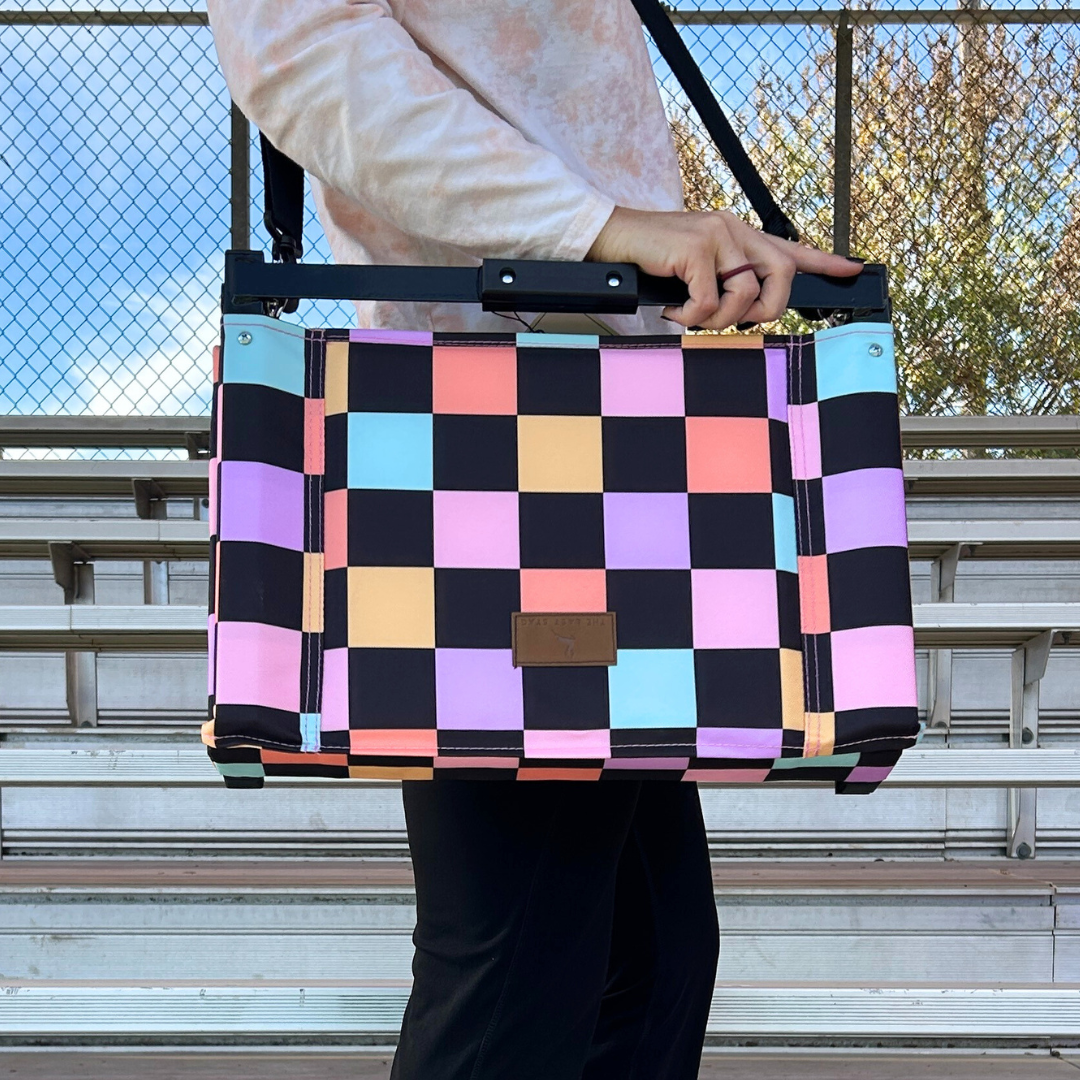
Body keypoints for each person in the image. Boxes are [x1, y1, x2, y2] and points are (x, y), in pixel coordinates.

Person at [206, 3, 864, 1077]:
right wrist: (605, 229)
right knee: (522, 973)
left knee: (643, 963)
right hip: (493, 442)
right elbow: (300, 49)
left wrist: (659, 244)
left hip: (598, 429)